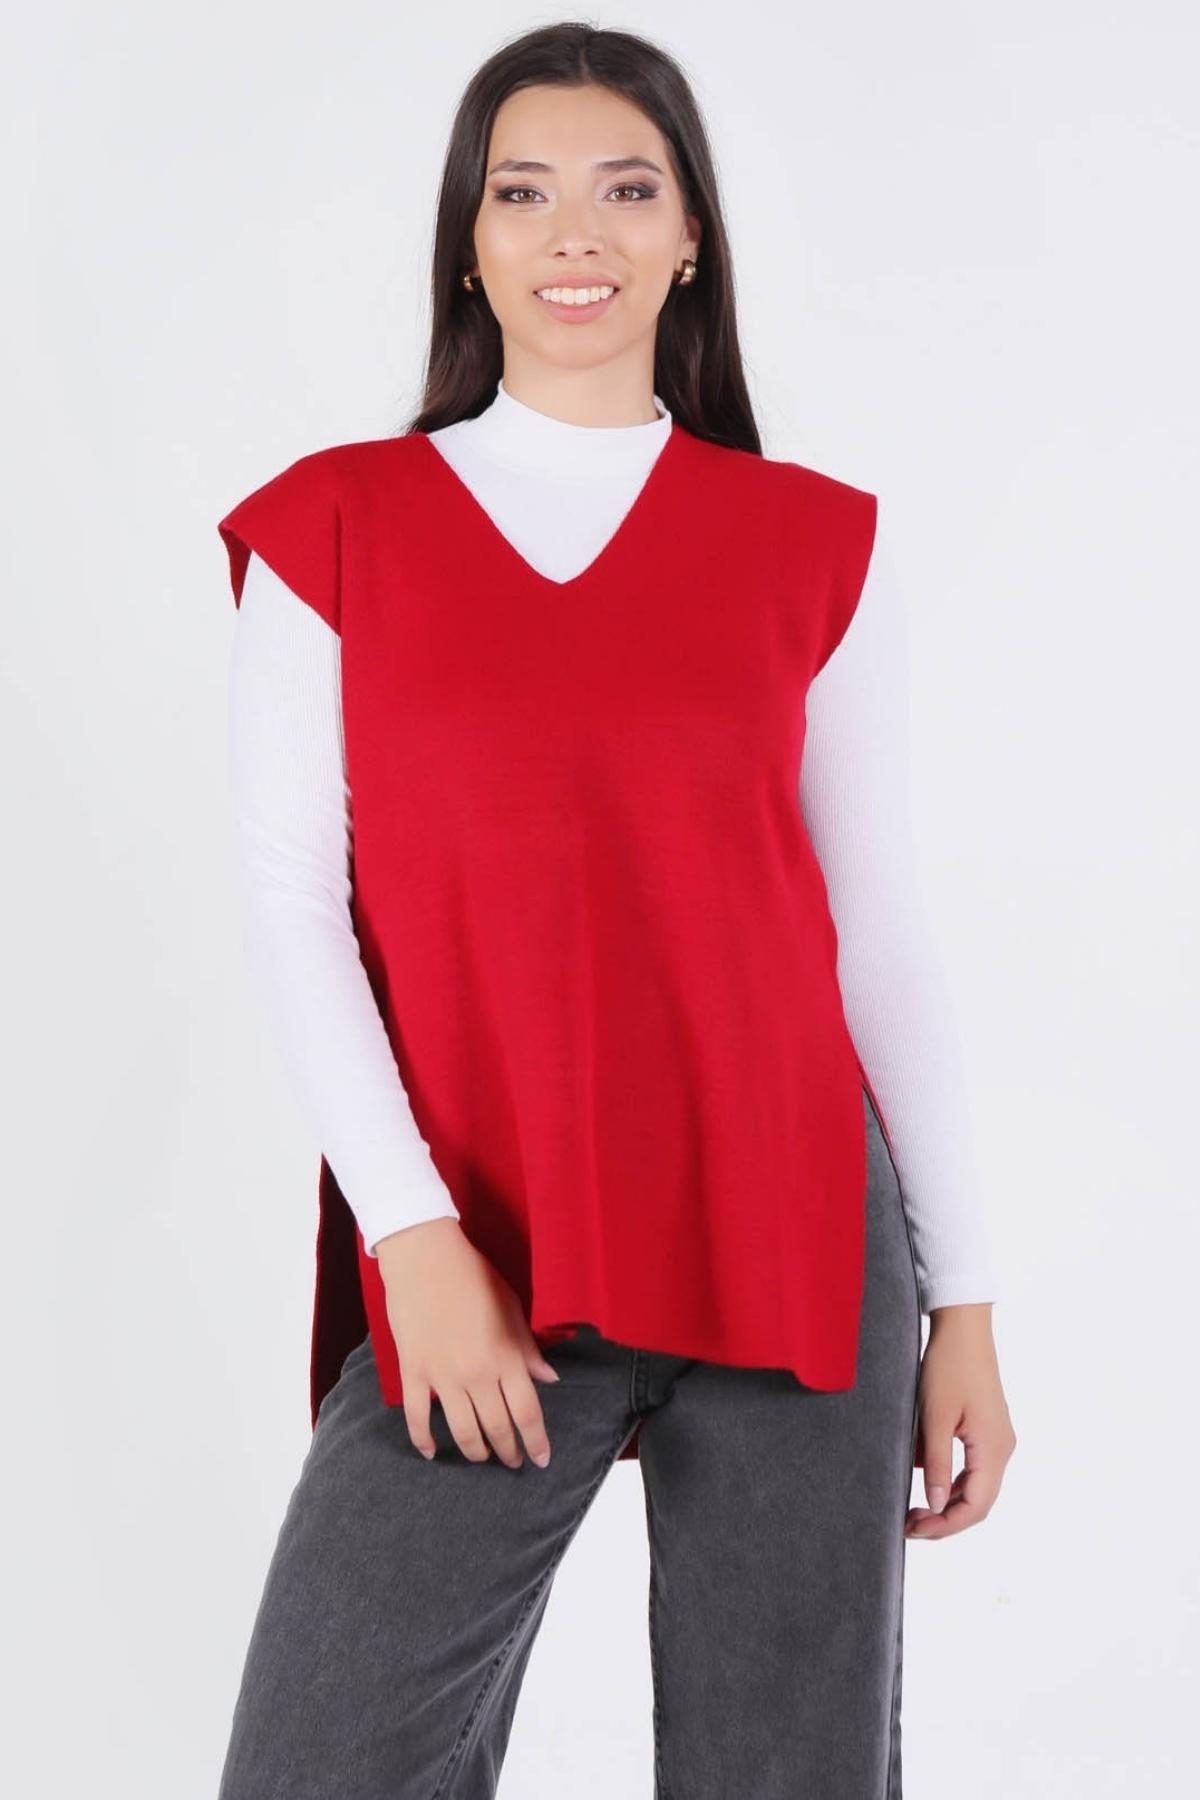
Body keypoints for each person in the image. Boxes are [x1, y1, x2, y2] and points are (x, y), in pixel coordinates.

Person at [214, 21, 1017, 1798]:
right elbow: (292, 905)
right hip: (480, 1238)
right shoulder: (333, 529)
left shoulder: (811, 543)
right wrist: (412, 1238)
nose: (574, 233)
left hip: (797, 1225)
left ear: (689, 238)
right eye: (523, 193)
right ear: (471, 242)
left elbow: (877, 933)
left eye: (626, 190)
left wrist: (964, 1298)